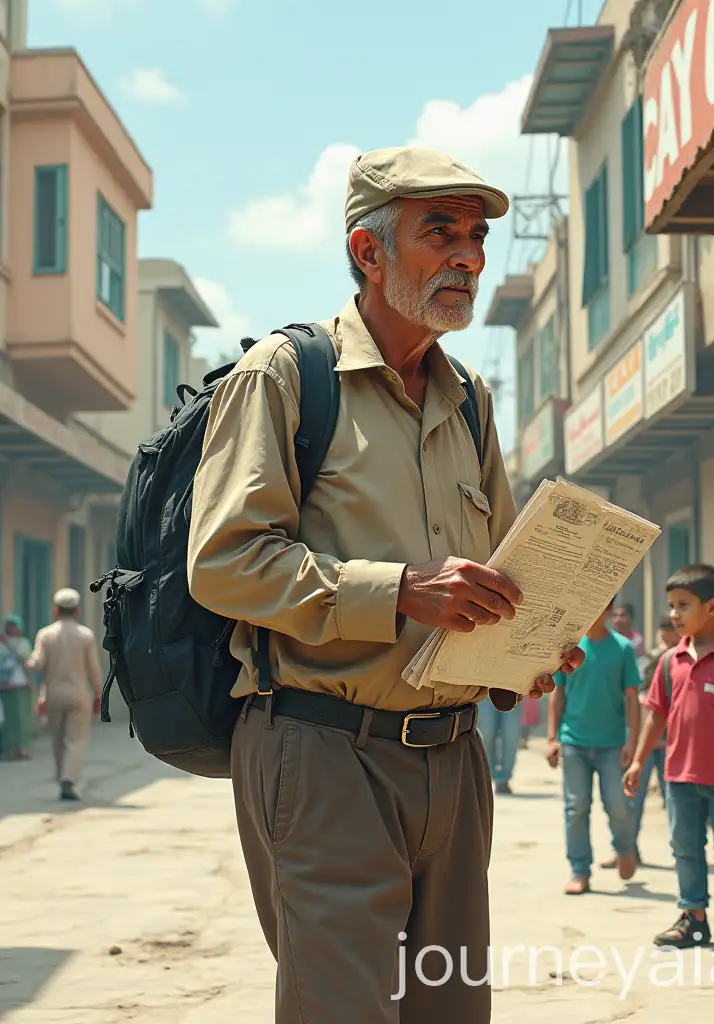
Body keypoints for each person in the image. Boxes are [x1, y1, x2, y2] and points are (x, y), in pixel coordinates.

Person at [185, 146, 581, 1024]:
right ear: (368, 253)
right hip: (324, 750)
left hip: (454, 762)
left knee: (449, 1013)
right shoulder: (288, 379)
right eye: (438, 232)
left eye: (475, 236)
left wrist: (529, 646)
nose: (469, 256)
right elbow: (223, 562)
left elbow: (498, 577)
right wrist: (398, 591)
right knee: (342, 1010)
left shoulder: (470, 398)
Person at [624, 565, 714, 954]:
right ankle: (693, 917)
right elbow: (655, 714)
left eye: (683, 605)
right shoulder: (670, 661)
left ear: (712, 607)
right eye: (672, 606)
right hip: (680, 778)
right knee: (685, 849)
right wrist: (639, 761)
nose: (674, 614)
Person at [547, 600, 640, 894]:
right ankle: (579, 870)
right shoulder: (571, 649)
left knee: (617, 805)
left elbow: (632, 699)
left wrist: (632, 741)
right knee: (576, 808)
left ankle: (625, 848)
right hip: (574, 741)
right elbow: (557, 694)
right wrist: (552, 738)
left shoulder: (622, 649)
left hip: (612, 745)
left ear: (608, 611)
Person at [600, 613, 676, 869]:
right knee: (631, 801)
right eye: (663, 629)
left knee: (675, 802)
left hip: (673, 744)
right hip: (648, 740)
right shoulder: (652, 658)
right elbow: (638, 693)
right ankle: (626, 850)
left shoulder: (687, 659)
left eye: (670, 630)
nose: (666, 634)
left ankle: (684, 852)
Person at [26, 589, 103, 800]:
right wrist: (98, 694)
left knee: (58, 739)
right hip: (79, 695)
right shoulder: (85, 635)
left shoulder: (45, 634)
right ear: (77, 610)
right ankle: (69, 779)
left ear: (55, 610)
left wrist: (23, 658)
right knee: (75, 740)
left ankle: (62, 777)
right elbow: (93, 669)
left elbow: (36, 662)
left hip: (53, 694)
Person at [0, 613, 35, 760]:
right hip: (5, 686)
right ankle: (9, 749)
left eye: (14, 625)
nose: (11, 628)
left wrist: (29, 682)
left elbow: (25, 662)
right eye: (9, 625)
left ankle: (22, 749)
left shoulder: (23, 643)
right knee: (7, 720)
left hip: (20, 685)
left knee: (22, 720)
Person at [476, 694, 522, 794]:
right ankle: (489, 776)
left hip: (512, 691)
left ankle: (503, 780)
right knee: (486, 734)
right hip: (485, 692)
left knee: (510, 734)